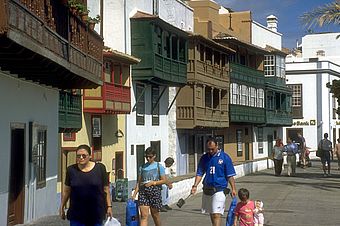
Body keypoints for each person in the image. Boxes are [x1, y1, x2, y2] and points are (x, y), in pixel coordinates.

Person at [59, 144, 112, 226]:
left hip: (96, 213)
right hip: (77, 214)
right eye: (78, 156)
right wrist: (62, 207)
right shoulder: (71, 170)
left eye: (84, 156)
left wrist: (109, 206)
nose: (81, 158)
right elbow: (67, 191)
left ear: (90, 156)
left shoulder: (100, 168)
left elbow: (106, 189)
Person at [191, 136, 237, 226]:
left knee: (216, 214)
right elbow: (200, 173)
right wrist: (195, 186)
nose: (210, 151)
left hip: (219, 189)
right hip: (207, 189)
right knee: (212, 213)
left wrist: (233, 188)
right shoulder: (204, 158)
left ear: (217, 145)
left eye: (212, 149)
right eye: (209, 149)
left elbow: (230, 175)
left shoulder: (225, 157)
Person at [131, 147, 167, 226]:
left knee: (155, 215)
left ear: (154, 156)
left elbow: (164, 180)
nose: (148, 158)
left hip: (155, 191)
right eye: (146, 157)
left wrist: (153, 183)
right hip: (143, 192)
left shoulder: (158, 166)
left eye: (150, 157)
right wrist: (134, 194)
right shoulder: (142, 167)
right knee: (144, 216)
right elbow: (139, 182)